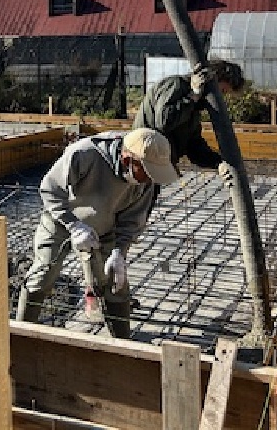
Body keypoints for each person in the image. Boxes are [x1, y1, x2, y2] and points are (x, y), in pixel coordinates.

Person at [15, 127, 180, 338]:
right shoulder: (84, 154)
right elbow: (50, 189)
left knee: (115, 283)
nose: (150, 179)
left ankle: (122, 343)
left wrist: (119, 253)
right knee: (43, 274)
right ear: (128, 159)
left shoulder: (145, 183)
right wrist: (73, 225)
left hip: (104, 227)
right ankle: (18, 335)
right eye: (146, 171)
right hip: (60, 219)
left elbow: (132, 221)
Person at [134, 59, 245, 174]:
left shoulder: (194, 108)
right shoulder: (176, 85)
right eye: (222, 91)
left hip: (154, 166)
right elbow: (164, 122)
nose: (221, 98)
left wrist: (219, 163)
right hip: (138, 160)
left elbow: (193, 147)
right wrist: (193, 96)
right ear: (215, 79)